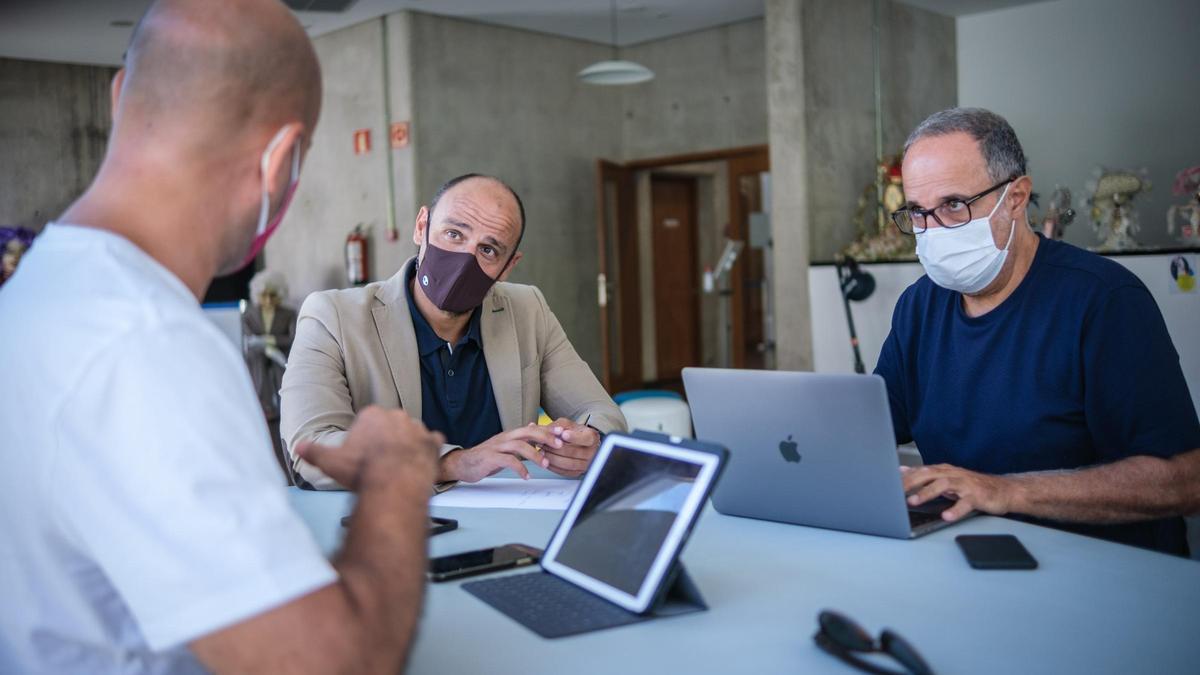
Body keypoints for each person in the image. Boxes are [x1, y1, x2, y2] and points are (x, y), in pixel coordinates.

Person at [0, 1, 442, 673]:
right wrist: (396, 478)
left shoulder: (40, 289)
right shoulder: (147, 343)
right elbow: (332, 664)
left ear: (120, 96)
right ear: (281, 160)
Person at [876, 107, 1200, 556]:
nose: (931, 231)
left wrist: (1005, 492)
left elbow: (1184, 480)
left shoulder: (1102, 301)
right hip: (964, 555)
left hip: (1104, 572)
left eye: (953, 205)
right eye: (917, 212)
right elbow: (869, 429)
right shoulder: (919, 306)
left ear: (1016, 197)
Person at [280, 173, 626, 490]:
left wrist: (590, 441)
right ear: (421, 226)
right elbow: (311, 447)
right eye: (454, 234)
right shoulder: (334, 317)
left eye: (488, 250)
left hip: (503, 536)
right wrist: (452, 462)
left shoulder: (527, 310)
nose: (464, 260)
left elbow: (602, 411)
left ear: (508, 267)